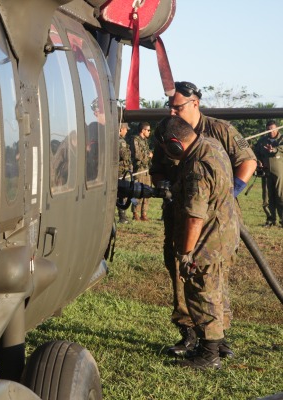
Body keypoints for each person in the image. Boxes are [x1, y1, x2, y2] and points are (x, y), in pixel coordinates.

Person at [150, 81, 257, 358]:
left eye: (177, 107)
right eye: (169, 107)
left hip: (209, 221)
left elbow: (248, 162)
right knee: (181, 273)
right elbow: (158, 170)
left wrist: (227, 194)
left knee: (209, 276)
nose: (172, 112)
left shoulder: (219, 131)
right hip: (180, 216)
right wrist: (162, 186)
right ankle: (192, 334)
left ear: (194, 103)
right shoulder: (168, 133)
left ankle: (214, 339)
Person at [154, 116, 238, 369]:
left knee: (202, 291)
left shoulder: (196, 168)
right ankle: (219, 343)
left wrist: (185, 253)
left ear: (175, 143)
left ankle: (209, 354)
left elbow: (194, 217)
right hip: (224, 233)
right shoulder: (211, 145)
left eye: (166, 148)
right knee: (217, 290)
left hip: (207, 240)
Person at [254, 120, 283, 227]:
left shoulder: (281, 139)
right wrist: (258, 160)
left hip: (280, 173)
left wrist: (273, 150)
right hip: (266, 173)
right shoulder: (262, 141)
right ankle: (270, 220)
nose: (270, 131)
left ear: (277, 128)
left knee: (280, 195)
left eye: (272, 129)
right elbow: (255, 152)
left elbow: (281, 148)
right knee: (267, 196)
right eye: (268, 129)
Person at [131, 122, 153, 221]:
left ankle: (144, 213)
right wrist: (148, 156)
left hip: (146, 169)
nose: (149, 132)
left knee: (147, 192)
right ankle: (135, 212)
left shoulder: (145, 141)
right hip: (139, 169)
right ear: (143, 130)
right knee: (137, 192)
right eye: (148, 130)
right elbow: (137, 155)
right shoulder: (135, 140)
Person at [117, 122, 132, 223]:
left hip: (117, 171)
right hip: (120, 172)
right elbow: (125, 156)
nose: (126, 131)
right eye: (125, 129)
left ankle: (123, 216)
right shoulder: (121, 141)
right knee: (122, 194)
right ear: (120, 129)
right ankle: (122, 217)